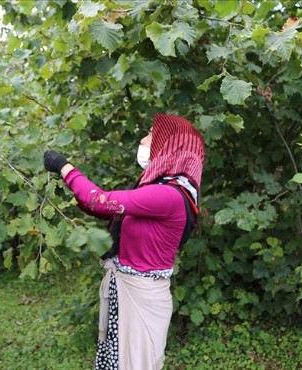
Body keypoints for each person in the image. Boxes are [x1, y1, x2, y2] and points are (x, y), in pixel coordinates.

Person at [43, 113, 205, 370]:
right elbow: (102, 208)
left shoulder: (168, 195)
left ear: (168, 145)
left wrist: (64, 166)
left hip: (140, 297)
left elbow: (97, 200)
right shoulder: (161, 189)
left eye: (151, 134)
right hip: (129, 291)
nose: (143, 139)